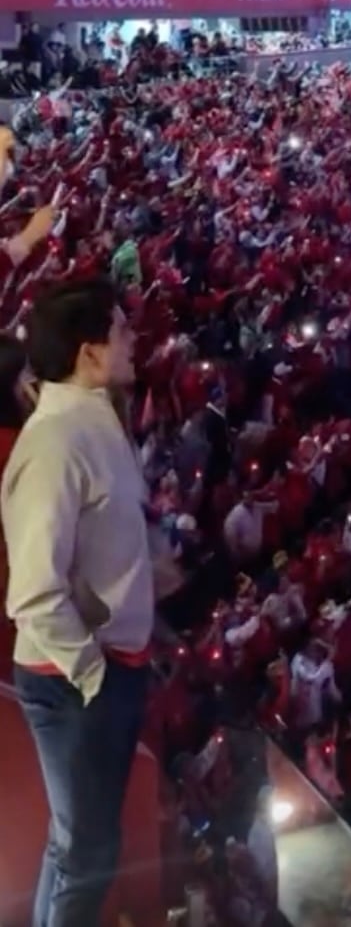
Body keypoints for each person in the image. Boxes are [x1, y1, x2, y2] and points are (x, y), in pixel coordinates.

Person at [2, 275, 154, 927]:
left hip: (104, 669)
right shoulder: (54, 443)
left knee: (81, 847)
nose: (133, 340)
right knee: (86, 855)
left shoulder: (95, 419)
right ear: (89, 352)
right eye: (121, 330)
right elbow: (34, 591)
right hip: (72, 680)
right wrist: (95, 675)